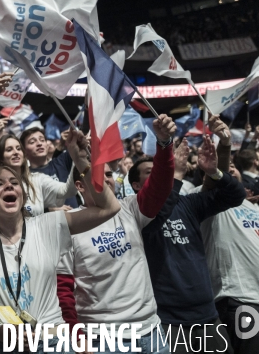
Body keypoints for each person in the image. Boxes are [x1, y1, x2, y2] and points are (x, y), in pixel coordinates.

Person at [0, 129, 121, 354]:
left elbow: (110, 207)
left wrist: (80, 160)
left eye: (14, 183)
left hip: (55, 343)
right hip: (8, 345)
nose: (9, 186)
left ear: (23, 195)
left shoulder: (48, 226)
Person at [57, 114, 177, 354]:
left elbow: (161, 184)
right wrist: (76, 337)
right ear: (80, 186)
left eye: (110, 174)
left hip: (151, 331)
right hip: (103, 339)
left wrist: (164, 143)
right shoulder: (67, 225)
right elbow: (63, 290)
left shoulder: (129, 208)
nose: (107, 180)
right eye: (98, 174)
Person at [141, 115, 245, 354]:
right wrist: (174, 175)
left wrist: (214, 172)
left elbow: (235, 196)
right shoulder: (134, 213)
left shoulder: (188, 204)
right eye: (151, 171)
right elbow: (157, 214)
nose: (158, 173)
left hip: (207, 314)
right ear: (137, 185)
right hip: (168, 320)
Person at [200, 140, 259, 354]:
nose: (232, 170)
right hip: (241, 299)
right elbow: (218, 177)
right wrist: (225, 143)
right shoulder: (213, 201)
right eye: (228, 169)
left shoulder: (253, 205)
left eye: (235, 168)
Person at [0, 133, 77, 231]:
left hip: (37, 244)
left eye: (19, 149)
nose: (16, 152)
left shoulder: (37, 179)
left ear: (24, 155)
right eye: (9, 149)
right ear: (0, 158)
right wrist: (0, 217)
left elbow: (68, 191)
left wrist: (77, 158)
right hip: (5, 246)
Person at [20, 127, 78, 208]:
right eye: (32, 142)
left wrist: (76, 137)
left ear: (47, 146)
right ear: (24, 152)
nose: (39, 143)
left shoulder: (62, 161)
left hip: (78, 217)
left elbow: (80, 151)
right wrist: (49, 210)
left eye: (42, 140)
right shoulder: (26, 178)